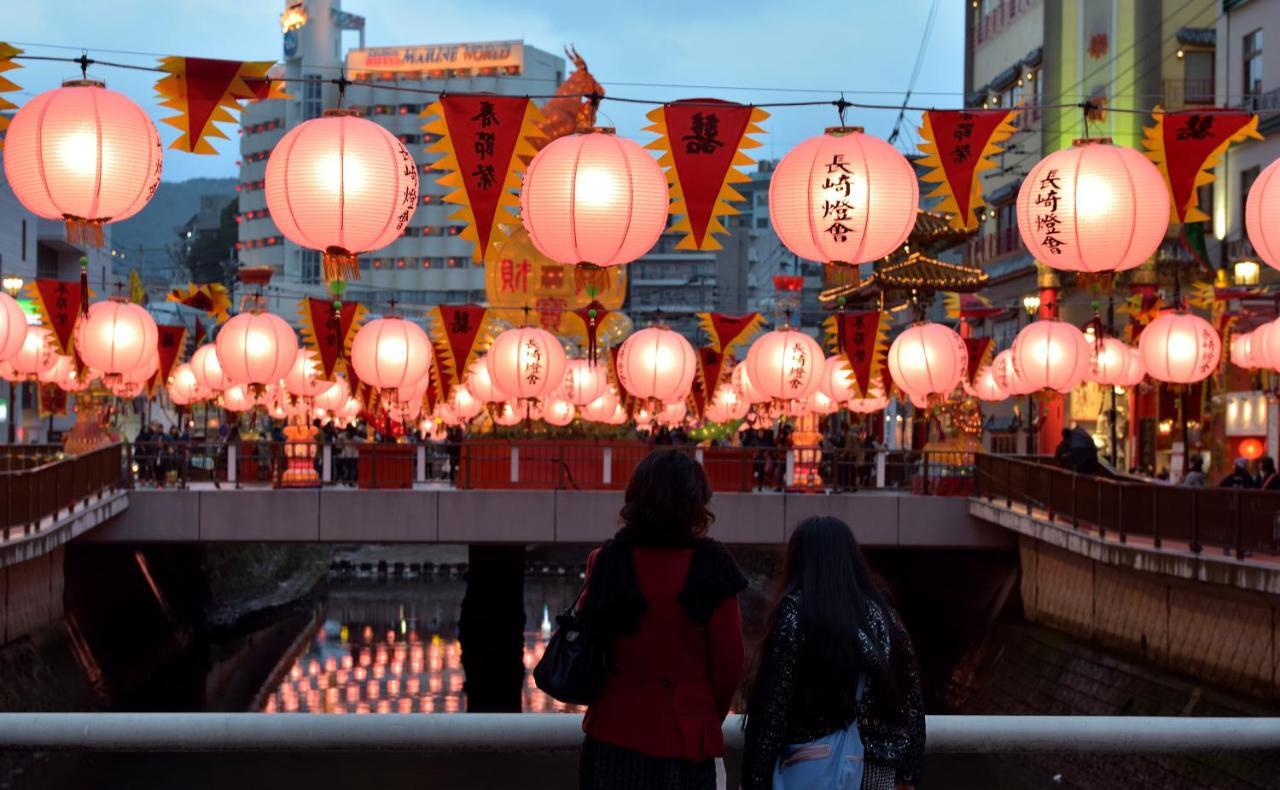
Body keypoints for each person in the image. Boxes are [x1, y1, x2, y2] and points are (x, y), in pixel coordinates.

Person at [576, 450, 747, 790]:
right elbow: (729, 663)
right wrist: (701, 712)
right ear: (697, 503)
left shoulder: (607, 560)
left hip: (614, 729)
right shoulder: (712, 566)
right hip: (685, 737)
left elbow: (589, 637)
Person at [743, 517, 925, 790]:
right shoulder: (885, 618)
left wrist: (755, 779)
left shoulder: (797, 615)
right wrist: (908, 775)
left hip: (814, 770)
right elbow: (912, 705)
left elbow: (772, 710)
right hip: (880, 775)